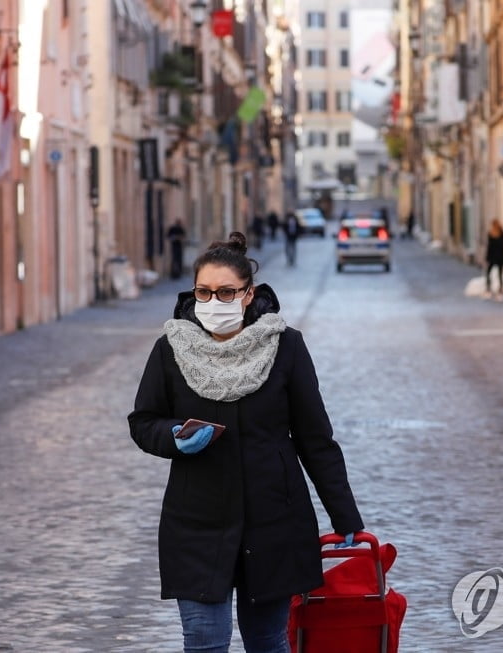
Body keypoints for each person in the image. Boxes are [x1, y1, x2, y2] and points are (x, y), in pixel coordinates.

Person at [127, 232, 365, 653]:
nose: (213, 301)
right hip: (196, 521)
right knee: (203, 642)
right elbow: (144, 421)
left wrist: (345, 517)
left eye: (225, 292)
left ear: (248, 293)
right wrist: (174, 437)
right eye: (204, 291)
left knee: (267, 642)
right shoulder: (171, 349)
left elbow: (315, 438)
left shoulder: (285, 346)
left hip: (274, 521)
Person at [485, 218, 503, 301]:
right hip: (494, 256)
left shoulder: (501, 234)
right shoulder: (491, 233)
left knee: (499, 274)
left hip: (498, 256)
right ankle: (489, 288)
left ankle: (499, 290)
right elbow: (490, 247)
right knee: (490, 273)